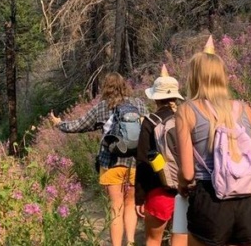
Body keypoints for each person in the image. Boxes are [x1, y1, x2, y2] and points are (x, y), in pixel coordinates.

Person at [175, 36, 251, 246]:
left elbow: (188, 173)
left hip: (209, 202)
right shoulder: (244, 109)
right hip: (247, 201)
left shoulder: (187, 110)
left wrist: (182, 186)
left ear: (194, 77)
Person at [50, 72, 147, 246]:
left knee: (115, 206)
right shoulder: (138, 104)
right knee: (130, 204)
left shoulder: (103, 107)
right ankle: (131, 242)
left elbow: (78, 125)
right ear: (124, 85)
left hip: (111, 163)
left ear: (106, 88)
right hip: (135, 162)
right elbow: (149, 128)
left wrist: (59, 124)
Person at [135, 64, 188, 246]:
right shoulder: (186, 117)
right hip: (186, 190)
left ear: (156, 99)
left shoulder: (150, 122)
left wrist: (140, 198)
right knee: (180, 240)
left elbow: (142, 162)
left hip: (159, 191)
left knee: (152, 240)